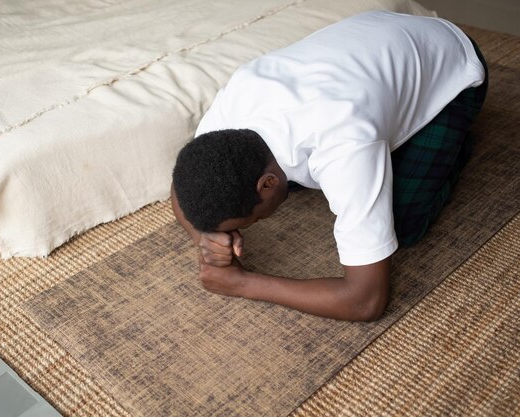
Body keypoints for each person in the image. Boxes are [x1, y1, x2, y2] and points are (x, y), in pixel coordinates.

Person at [171, 11, 488, 321]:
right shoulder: (225, 125)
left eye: (248, 222)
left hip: (454, 64)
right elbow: (181, 185)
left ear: (267, 183)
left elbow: (366, 300)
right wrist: (203, 237)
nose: (242, 230)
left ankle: (455, 146)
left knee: (402, 226)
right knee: (297, 181)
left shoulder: (344, 142)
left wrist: (243, 284)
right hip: (372, 38)